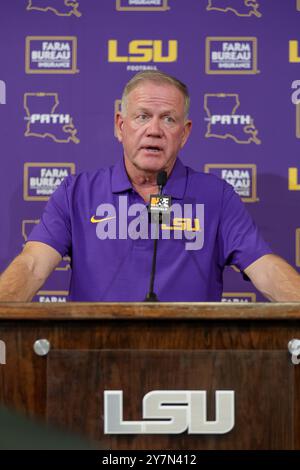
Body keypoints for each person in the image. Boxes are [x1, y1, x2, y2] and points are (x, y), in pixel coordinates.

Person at [0, 70, 300, 302]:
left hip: (190, 366)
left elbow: (267, 270)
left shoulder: (215, 197)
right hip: (93, 364)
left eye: (168, 119)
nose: (154, 130)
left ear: (184, 134)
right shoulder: (76, 193)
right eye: (142, 116)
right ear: (120, 126)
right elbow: (32, 266)